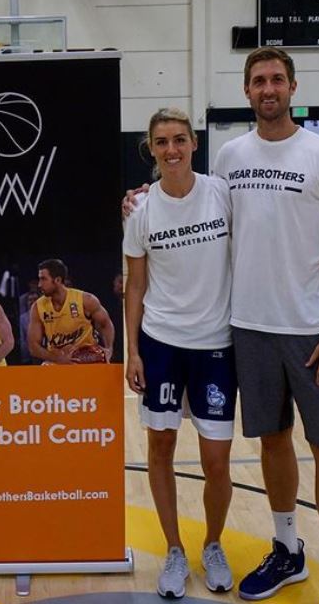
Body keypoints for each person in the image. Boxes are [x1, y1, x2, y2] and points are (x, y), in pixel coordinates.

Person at [213, 47, 319, 604]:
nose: (268, 88)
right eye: (258, 81)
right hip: (249, 326)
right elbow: (207, 220)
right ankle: (287, 549)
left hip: (313, 331)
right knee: (273, 441)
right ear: (246, 91)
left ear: (293, 88)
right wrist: (141, 201)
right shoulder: (229, 156)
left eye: (277, 79)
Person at [124, 108, 236, 598]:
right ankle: (174, 549)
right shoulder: (140, 210)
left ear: (194, 143)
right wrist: (132, 350)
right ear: (151, 149)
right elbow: (135, 284)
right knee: (161, 449)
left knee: (217, 462)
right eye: (161, 142)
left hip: (215, 346)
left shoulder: (222, 194)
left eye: (179, 140)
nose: (171, 150)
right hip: (161, 343)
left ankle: (212, 544)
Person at [27, 258, 115, 364]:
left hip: (87, 357)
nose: (39, 285)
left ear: (58, 280)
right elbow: (33, 346)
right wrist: (58, 359)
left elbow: (105, 324)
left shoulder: (85, 300)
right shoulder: (37, 307)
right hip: (56, 360)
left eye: (43, 279)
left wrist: (109, 349)